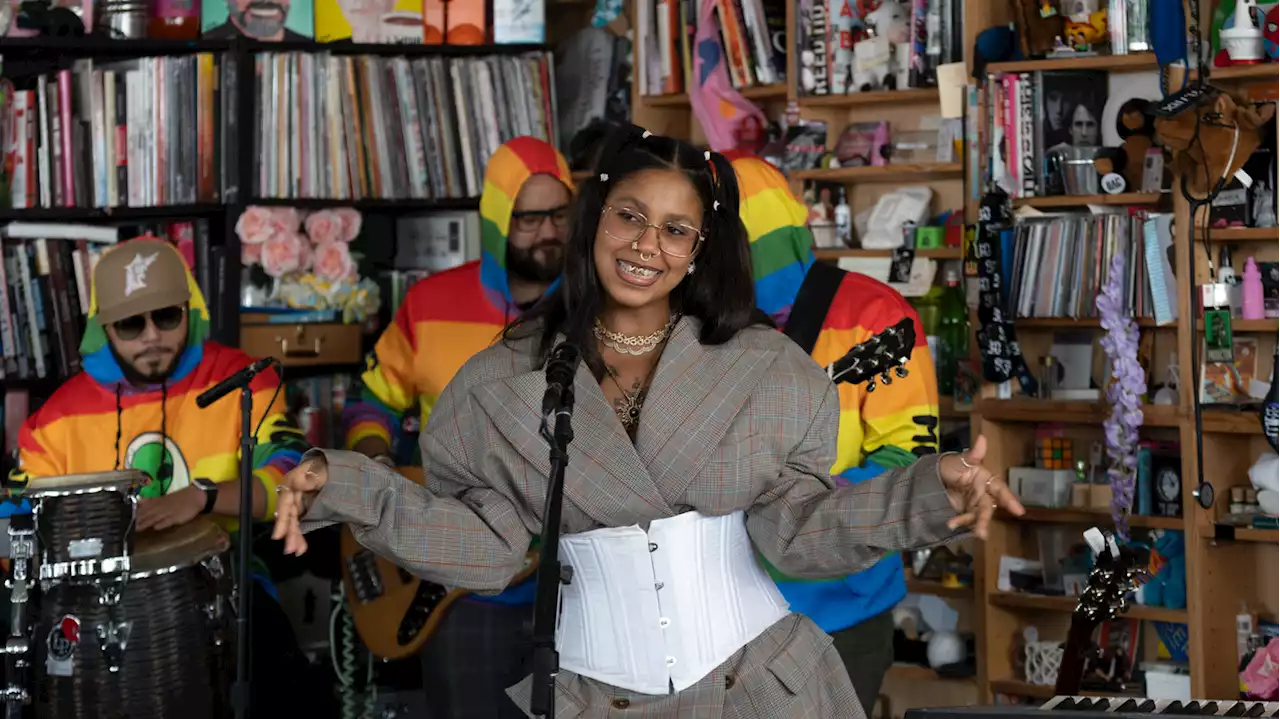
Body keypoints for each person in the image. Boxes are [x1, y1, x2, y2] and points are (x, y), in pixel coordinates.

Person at [273, 126, 1024, 718]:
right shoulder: (501, 382)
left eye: (675, 230)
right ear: (593, 220)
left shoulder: (761, 366)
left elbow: (794, 528)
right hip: (597, 696)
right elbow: (489, 547)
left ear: (699, 252)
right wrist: (343, 484)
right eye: (630, 216)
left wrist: (931, 491)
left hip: (765, 687)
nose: (645, 245)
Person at [8, 237, 324, 714]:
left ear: (189, 310)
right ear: (104, 328)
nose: (152, 336)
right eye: (132, 324)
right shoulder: (54, 421)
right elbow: (16, 523)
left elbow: (299, 480)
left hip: (226, 584)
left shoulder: (242, 380)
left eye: (167, 317)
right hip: (96, 607)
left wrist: (203, 496)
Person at [342, 135, 574, 718]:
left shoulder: (602, 313)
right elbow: (370, 401)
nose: (548, 231)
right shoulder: (428, 304)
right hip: (456, 589)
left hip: (578, 589)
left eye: (559, 214)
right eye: (529, 218)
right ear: (497, 222)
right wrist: (376, 464)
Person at [728, 150, 940, 714]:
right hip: (713, 614)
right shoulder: (690, 322)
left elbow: (908, 462)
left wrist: (804, 512)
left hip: (837, 612)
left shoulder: (876, 315)